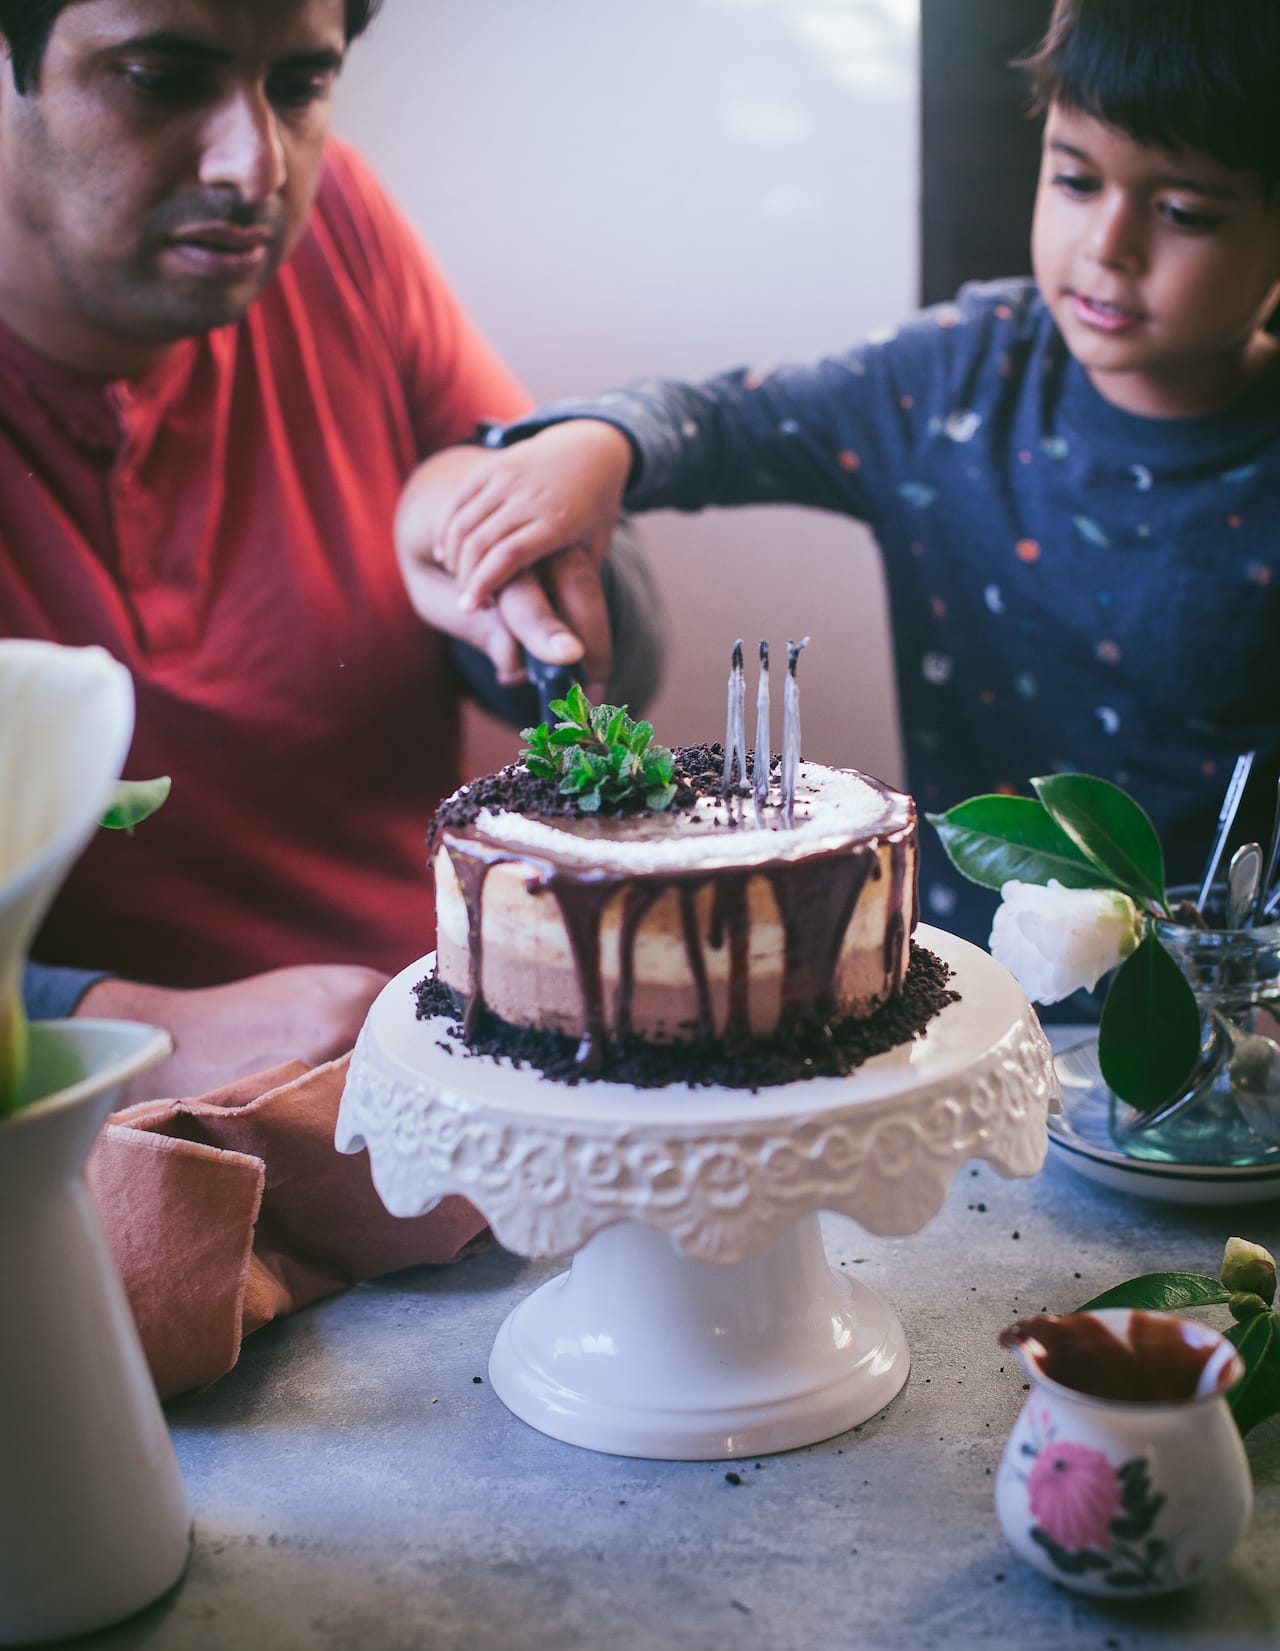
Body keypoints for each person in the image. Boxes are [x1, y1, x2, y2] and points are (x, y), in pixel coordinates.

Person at [398, 0, 1280, 957]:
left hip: (1232, 1040)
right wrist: (606, 444)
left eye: (1184, 211)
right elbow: (730, 419)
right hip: (967, 994)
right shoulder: (958, 377)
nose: (1108, 245)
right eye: (1074, 179)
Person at [0, 0, 660, 1099]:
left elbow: (612, 670)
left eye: (299, 86)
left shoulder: (336, 221)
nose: (252, 166)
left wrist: (502, 554)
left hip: (462, 1064)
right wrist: (117, 1028)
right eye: (159, 78)